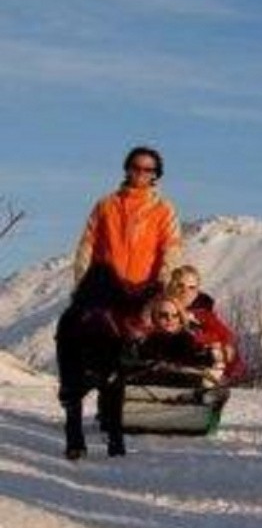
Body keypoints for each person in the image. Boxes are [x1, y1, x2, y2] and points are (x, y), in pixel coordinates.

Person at [72, 145, 182, 291]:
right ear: (127, 169)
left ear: (155, 174)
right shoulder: (106, 205)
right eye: (136, 167)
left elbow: (171, 250)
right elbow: (86, 247)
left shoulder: (164, 209)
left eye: (148, 169)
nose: (141, 172)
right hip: (106, 292)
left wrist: (162, 288)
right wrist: (83, 285)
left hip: (144, 293)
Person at [165, 265, 246, 382]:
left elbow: (225, 336)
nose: (185, 291)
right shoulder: (160, 307)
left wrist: (199, 337)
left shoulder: (203, 314)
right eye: (180, 286)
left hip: (193, 362)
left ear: (197, 291)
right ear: (172, 286)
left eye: (191, 288)